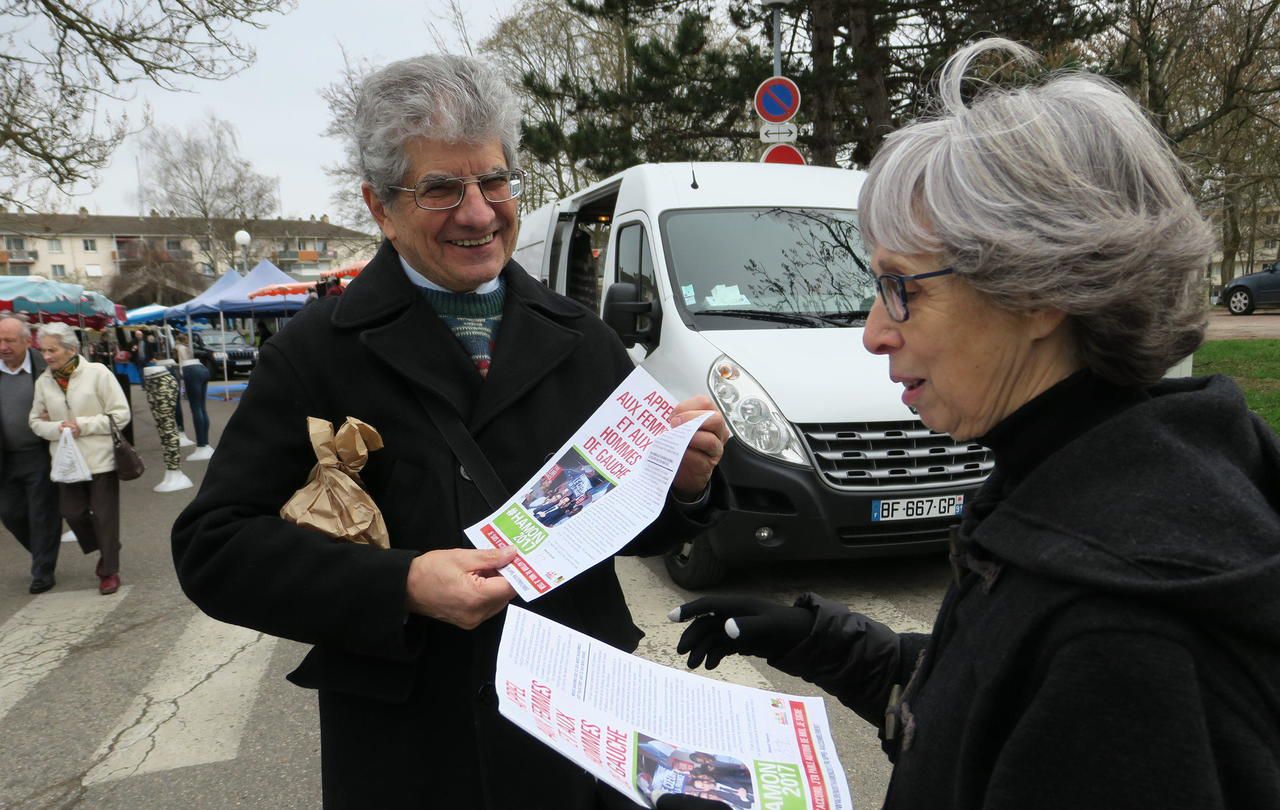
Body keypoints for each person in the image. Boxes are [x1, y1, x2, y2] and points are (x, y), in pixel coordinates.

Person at [669, 38, 1280, 810]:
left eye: (901, 288)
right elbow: (987, 714)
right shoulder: (1077, 488)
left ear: (1037, 289)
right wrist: (822, 642)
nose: (872, 332)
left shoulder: (1122, 633)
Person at [171, 53, 729, 810]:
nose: (478, 212)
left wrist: (685, 483)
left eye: (494, 181)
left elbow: (633, 528)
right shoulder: (315, 352)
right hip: (408, 749)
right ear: (380, 206)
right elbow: (214, 549)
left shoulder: (579, 336)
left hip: (573, 738)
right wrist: (399, 584)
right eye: (441, 188)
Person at [28, 323, 131, 596]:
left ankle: (109, 570)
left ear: (71, 349)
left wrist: (81, 425)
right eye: (43, 350)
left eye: (53, 349)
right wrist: (58, 427)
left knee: (105, 515)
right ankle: (107, 546)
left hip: (100, 458)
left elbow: (120, 415)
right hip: (66, 461)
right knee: (72, 512)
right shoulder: (43, 381)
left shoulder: (97, 373)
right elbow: (35, 422)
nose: (47, 356)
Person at [0, 316, 61, 593]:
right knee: (10, 514)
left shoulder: (44, 366)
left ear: (27, 341)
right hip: (5, 457)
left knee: (41, 514)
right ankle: (41, 550)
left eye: (10, 340)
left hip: (38, 453)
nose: (3, 346)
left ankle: (43, 570)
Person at [174, 333, 213, 461]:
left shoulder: (178, 348)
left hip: (190, 372)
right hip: (201, 369)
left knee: (196, 409)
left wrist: (183, 388)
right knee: (202, 408)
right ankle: (205, 443)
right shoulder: (188, 348)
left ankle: (201, 444)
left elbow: (182, 365)